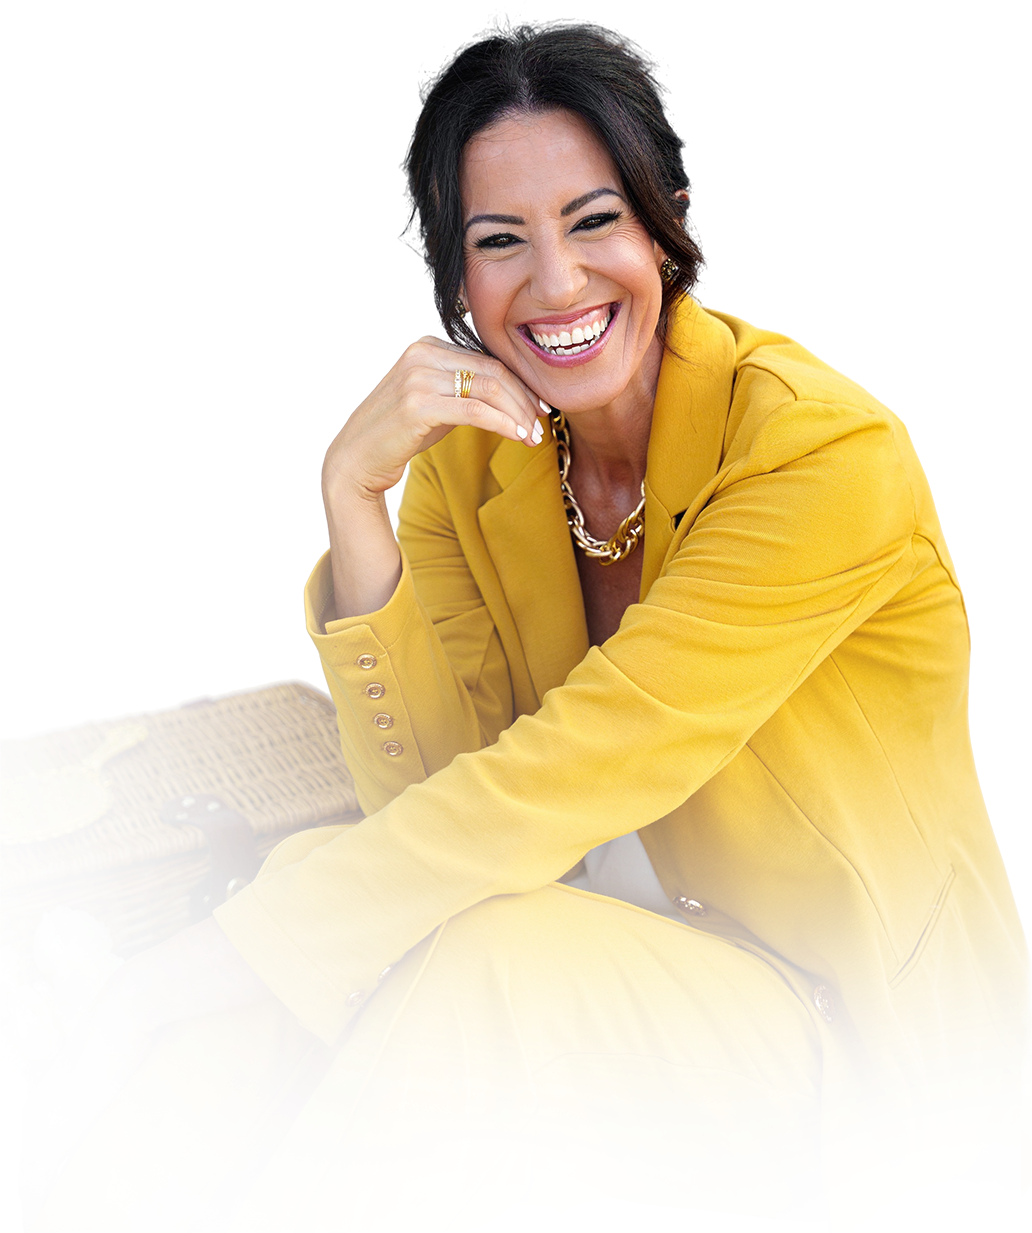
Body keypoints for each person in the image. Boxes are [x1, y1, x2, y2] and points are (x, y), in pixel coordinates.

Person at [20, 15, 1029, 1232]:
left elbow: (547, 786)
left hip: (848, 1037)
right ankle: (101, 1207)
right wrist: (358, 506)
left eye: (594, 221)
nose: (555, 285)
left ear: (672, 224)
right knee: (312, 893)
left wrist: (163, 972)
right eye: (501, 241)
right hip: (607, 967)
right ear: (457, 280)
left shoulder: (818, 454)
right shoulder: (475, 466)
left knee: (476, 965)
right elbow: (427, 805)